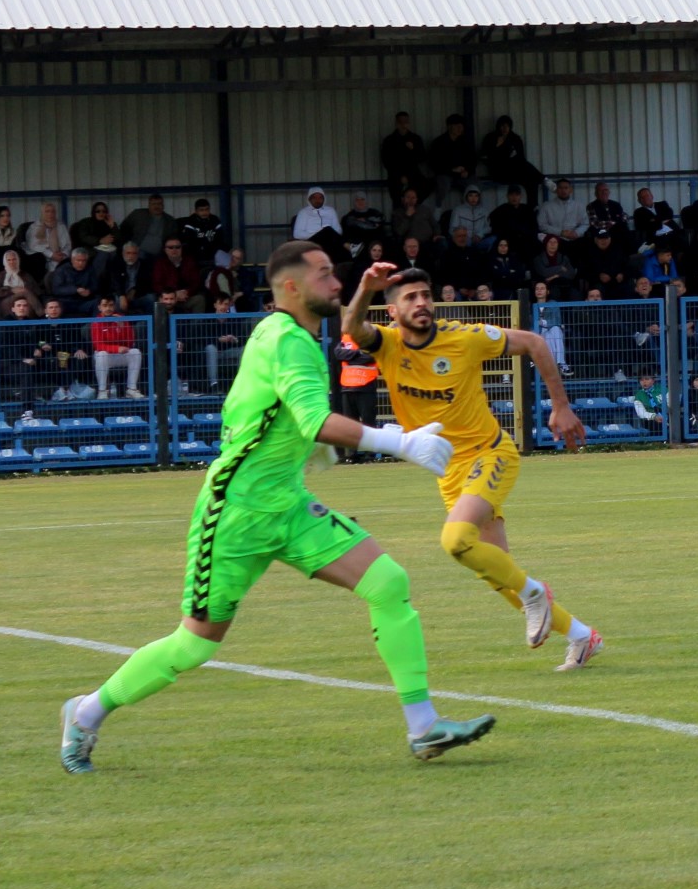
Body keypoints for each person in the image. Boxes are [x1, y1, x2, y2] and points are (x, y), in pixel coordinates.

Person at [58, 240, 496, 775]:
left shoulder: (292, 335)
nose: (335, 283)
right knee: (193, 647)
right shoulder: (287, 341)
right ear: (292, 286)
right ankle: (85, 713)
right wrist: (400, 443)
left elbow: (290, 413)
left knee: (387, 582)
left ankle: (424, 727)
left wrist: (362, 292)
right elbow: (313, 420)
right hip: (236, 514)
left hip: (286, 505)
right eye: (325, 275)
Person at [343, 263, 602, 671]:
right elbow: (353, 326)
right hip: (449, 471)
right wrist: (365, 287)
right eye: (410, 297)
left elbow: (534, 342)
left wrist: (561, 406)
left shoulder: (465, 337)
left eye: (425, 294)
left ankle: (536, 594)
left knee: (456, 541)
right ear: (391, 311)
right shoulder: (388, 344)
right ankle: (582, 636)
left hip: (490, 454)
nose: (422, 302)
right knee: (496, 571)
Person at [333, 332, 381, 462]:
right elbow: (338, 354)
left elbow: (370, 357)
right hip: (347, 387)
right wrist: (358, 353)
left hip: (366, 385)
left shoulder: (370, 338)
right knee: (350, 423)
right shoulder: (345, 339)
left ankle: (369, 454)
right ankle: (352, 454)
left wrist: (351, 356)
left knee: (368, 422)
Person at [478, 115, 544, 208]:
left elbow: (521, 158)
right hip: (498, 171)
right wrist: (497, 146)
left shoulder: (515, 138)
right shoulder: (491, 138)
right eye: (502, 126)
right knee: (527, 169)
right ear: (498, 126)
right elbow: (484, 156)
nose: (505, 128)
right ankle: (543, 178)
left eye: (507, 126)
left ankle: (532, 207)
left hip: (515, 170)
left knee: (532, 180)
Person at [33, 299, 93, 400]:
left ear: (60, 309)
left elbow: (77, 340)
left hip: (67, 353)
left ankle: (69, 389)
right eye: (51, 308)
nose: (54, 310)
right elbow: (38, 340)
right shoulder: (40, 325)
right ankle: (63, 389)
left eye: (56, 307)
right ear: (46, 310)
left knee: (76, 358)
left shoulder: (69, 324)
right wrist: (41, 345)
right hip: (49, 355)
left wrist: (79, 349)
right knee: (57, 360)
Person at [90, 295, 145, 400]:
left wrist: (122, 327)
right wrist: (116, 348)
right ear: (99, 307)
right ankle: (102, 391)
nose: (108, 308)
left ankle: (131, 389)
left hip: (119, 356)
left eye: (111, 305)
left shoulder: (121, 318)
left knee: (135, 352)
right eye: (105, 305)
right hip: (105, 357)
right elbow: (98, 345)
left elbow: (130, 343)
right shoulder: (96, 322)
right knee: (101, 354)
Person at [200, 297, 255, 393]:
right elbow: (203, 340)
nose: (223, 306)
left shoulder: (233, 320)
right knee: (210, 348)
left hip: (229, 351)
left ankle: (241, 383)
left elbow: (242, 339)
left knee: (244, 349)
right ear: (215, 305)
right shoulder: (207, 320)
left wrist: (234, 340)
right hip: (215, 351)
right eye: (220, 303)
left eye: (226, 304)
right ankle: (214, 385)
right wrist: (219, 340)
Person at [381, 110, 431, 206]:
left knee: (426, 186)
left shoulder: (415, 139)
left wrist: (413, 149)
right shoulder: (389, 141)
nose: (403, 125)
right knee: (397, 201)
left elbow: (422, 157)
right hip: (395, 175)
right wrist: (400, 176)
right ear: (396, 124)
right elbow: (386, 161)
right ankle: (399, 218)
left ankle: (413, 211)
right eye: (401, 122)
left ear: (409, 123)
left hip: (413, 174)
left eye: (406, 122)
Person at [429, 113, 477, 209]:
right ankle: (438, 208)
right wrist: (452, 170)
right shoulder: (439, 142)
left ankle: (471, 210)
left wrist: (467, 170)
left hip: (463, 174)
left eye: (461, 126)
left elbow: (473, 159)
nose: (460, 129)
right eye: (457, 126)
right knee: (444, 185)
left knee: (474, 187)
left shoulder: (465, 142)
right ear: (450, 127)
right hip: (445, 173)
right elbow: (434, 163)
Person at [294, 187, 349, 264]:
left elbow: (338, 230)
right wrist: (320, 233)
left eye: (320, 197)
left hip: (329, 241)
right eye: (314, 198)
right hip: (312, 241)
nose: (318, 200)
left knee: (341, 252)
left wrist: (327, 235)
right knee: (327, 230)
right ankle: (349, 246)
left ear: (324, 199)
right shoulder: (304, 213)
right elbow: (297, 234)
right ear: (309, 199)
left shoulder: (330, 211)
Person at [152, 237, 207, 313]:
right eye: (170, 247)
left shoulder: (189, 261)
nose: (174, 250)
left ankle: (196, 325)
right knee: (154, 300)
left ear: (182, 249)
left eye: (177, 247)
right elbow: (156, 285)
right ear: (165, 250)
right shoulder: (160, 264)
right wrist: (173, 294)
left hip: (185, 298)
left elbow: (196, 282)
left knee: (200, 299)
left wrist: (187, 292)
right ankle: (161, 325)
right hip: (167, 299)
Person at [531, 280, 573, 377]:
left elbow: (556, 321)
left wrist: (542, 322)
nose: (539, 291)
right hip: (537, 334)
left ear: (548, 291)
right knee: (551, 333)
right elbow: (531, 325)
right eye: (537, 289)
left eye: (542, 288)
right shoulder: (530, 306)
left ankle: (559, 364)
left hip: (551, 333)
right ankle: (560, 365)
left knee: (555, 330)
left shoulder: (553, 303)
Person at [488, 184, 540, 262]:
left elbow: (534, 227)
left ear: (520, 196)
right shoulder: (500, 211)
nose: (514, 198)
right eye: (511, 195)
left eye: (516, 195)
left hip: (526, 241)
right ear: (507, 196)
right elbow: (496, 229)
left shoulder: (527, 210)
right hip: (508, 242)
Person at [48, 246, 101, 317]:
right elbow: (57, 289)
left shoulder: (90, 269)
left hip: (83, 302)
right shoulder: (62, 270)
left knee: (98, 302)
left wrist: (89, 291)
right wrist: (75, 290)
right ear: (72, 260)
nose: (81, 263)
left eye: (83, 261)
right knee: (56, 306)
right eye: (78, 260)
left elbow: (95, 286)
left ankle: (95, 326)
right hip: (65, 302)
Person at [536, 177, 588, 249]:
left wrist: (576, 233)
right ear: (556, 190)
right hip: (555, 241)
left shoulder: (579, 206)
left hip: (576, 240)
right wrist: (560, 232)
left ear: (570, 190)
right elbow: (541, 225)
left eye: (566, 188)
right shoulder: (546, 206)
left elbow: (585, 224)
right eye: (560, 188)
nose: (563, 190)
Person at [24, 201, 72, 277]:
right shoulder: (35, 227)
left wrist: (63, 254)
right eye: (47, 211)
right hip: (43, 257)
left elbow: (68, 244)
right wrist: (51, 255)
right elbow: (33, 245)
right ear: (42, 213)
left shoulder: (61, 226)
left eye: (53, 211)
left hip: (61, 256)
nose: (50, 214)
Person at [576, 227, 628, 298]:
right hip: (596, 284)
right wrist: (598, 276)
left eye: (606, 238)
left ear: (610, 239)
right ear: (595, 240)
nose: (604, 241)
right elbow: (582, 272)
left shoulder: (618, 251)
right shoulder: (588, 253)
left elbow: (628, 266)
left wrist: (622, 274)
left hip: (616, 283)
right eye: (601, 239)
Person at [179, 198, 229, 268]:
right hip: (196, 255)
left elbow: (220, 239)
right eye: (201, 210)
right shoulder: (190, 222)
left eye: (207, 209)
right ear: (196, 211)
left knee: (227, 260)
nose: (205, 212)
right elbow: (190, 242)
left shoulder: (215, 220)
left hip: (214, 253)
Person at [108, 240, 154, 315]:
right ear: (123, 253)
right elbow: (115, 282)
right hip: (121, 295)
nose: (131, 256)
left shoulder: (143, 265)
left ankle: (150, 324)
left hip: (137, 296)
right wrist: (122, 295)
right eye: (128, 253)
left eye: (134, 253)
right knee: (117, 301)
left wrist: (135, 290)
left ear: (138, 254)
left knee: (151, 298)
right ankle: (120, 325)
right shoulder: (116, 263)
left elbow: (146, 283)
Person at [120, 193, 173, 259]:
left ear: (163, 205)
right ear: (149, 205)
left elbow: (173, 238)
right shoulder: (138, 214)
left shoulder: (170, 220)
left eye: (159, 204)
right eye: (153, 204)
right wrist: (128, 244)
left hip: (159, 255)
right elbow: (124, 227)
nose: (156, 206)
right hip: (138, 252)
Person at [531, 233, 579, 301]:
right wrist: (560, 268)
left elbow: (571, 274)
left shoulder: (563, 258)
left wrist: (556, 276)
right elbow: (544, 272)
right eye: (550, 242)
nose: (552, 244)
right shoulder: (538, 259)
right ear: (546, 244)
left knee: (575, 294)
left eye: (555, 242)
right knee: (555, 293)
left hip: (565, 285)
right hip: (547, 286)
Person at [0, 247, 43, 318]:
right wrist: (11, 290)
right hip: (6, 302)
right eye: (9, 260)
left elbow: (37, 291)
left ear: (18, 260)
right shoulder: (0, 276)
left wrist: (25, 291)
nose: (12, 262)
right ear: (5, 262)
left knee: (25, 300)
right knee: (24, 291)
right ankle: (43, 315)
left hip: (25, 301)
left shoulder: (25, 275)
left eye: (14, 259)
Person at [633, 187, 680, 253]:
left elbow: (669, 215)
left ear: (652, 196)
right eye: (642, 197)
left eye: (647, 196)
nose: (645, 198)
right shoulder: (638, 212)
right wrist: (661, 221)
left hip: (673, 232)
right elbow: (642, 226)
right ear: (639, 201)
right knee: (664, 245)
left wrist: (654, 220)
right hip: (656, 237)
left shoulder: (662, 204)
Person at [341, 194, 387, 259]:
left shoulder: (374, 212)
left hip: (374, 239)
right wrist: (368, 222)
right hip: (357, 241)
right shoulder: (348, 216)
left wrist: (364, 220)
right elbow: (348, 225)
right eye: (357, 200)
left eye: (362, 199)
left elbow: (380, 221)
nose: (360, 202)